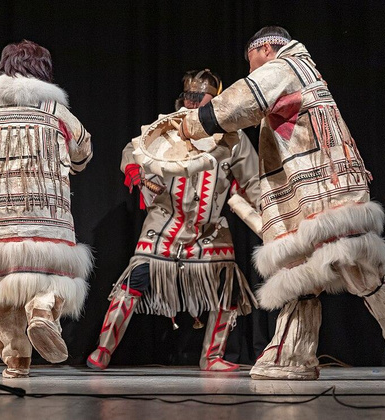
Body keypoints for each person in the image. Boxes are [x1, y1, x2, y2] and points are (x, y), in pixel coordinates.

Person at [180, 26, 385, 379]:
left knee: (350, 262)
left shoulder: (284, 67)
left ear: (266, 49)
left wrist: (192, 124)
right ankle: (292, 357)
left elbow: (239, 102)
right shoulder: (303, 69)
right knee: (301, 272)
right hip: (314, 185)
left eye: (251, 59)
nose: (250, 67)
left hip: (324, 186)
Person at [86, 70, 260, 372]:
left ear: (215, 101)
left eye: (200, 98)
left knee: (226, 286)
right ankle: (103, 349)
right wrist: (138, 174)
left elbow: (254, 180)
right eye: (190, 97)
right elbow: (132, 150)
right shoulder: (166, 127)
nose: (193, 103)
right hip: (164, 224)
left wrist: (269, 207)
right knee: (134, 281)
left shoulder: (233, 137)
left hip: (208, 230)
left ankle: (212, 356)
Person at [0, 40, 93, 378]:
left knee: (0, 287)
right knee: (50, 275)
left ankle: (16, 360)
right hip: (45, 214)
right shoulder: (54, 109)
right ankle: (43, 312)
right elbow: (82, 152)